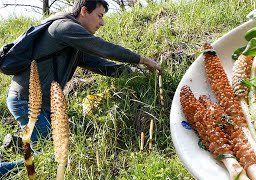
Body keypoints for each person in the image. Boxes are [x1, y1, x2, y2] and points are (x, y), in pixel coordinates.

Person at [1, 0, 161, 176]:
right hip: (27, 101)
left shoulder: (72, 43)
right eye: (99, 16)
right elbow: (103, 48)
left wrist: (133, 73)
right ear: (84, 11)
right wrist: (142, 59)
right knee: (50, 158)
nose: (102, 22)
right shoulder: (63, 28)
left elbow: (99, 64)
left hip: (42, 105)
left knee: (48, 157)